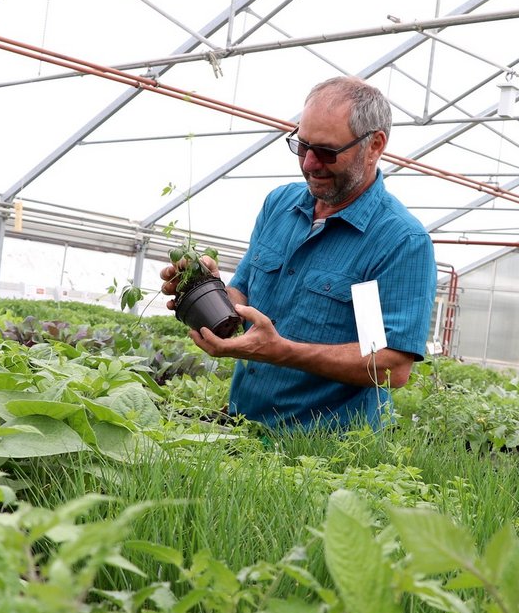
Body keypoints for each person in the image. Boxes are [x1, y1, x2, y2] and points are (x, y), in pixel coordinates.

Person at [160, 76, 437, 431]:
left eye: (326, 151)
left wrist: (281, 351)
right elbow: (242, 294)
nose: (308, 164)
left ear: (374, 145)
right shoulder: (281, 205)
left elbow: (389, 365)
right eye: (302, 146)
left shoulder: (396, 241)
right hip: (243, 425)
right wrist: (207, 289)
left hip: (325, 455)